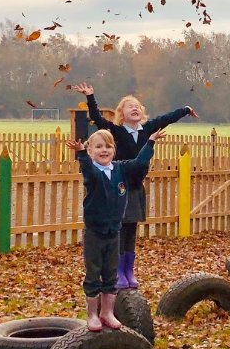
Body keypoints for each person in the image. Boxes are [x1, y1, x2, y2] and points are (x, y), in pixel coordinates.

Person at [75, 82, 195, 290]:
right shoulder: (116, 131)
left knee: (132, 229)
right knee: (120, 228)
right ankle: (118, 271)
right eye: (130, 105)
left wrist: (185, 110)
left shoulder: (148, 129)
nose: (135, 108)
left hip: (136, 188)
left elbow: (167, 119)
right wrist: (90, 97)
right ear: (121, 113)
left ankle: (129, 270)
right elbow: (97, 118)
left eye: (138, 105)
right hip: (119, 185)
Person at [67, 128, 163, 331]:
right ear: (91, 151)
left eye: (108, 146)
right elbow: (87, 170)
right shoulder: (93, 172)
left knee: (111, 274)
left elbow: (139, 163)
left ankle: (107, 313)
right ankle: (92, 314)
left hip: (114, 232)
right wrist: (81, 154)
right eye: (98, 147)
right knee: (94, 273)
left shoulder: (120, 169)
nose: (104, 150)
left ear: (114, 150)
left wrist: (150, 143)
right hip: (95, 233)